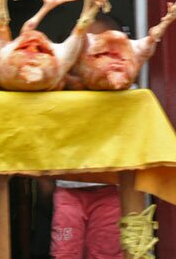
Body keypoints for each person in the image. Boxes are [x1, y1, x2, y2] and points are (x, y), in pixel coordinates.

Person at [39, 14, 125, 259]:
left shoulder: (125, 92)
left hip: (110, 190)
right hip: (68, 192)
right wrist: (45, 183)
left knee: (107, 251)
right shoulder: (61, 91)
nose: (95, 55)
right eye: (86, 47)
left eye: (104, 49)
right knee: (65, 251)